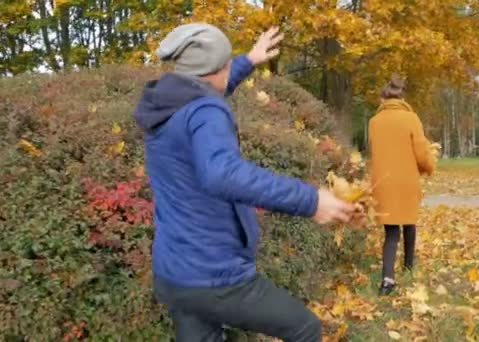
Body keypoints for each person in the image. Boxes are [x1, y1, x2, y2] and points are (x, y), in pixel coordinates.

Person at [133, 23, 355, 341]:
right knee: (305, 329)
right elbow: (222, 173)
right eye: (228, 64)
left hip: (175, 275)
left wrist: (248, 60)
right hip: (214, 278)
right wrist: (312, 201)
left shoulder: (169, 106)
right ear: (217, 68)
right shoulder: (206, 111)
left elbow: (210, 89)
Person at [368, 75, 436, 296]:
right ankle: (409, 266)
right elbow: (421, 152)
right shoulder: (411, 119)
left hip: (383, 181)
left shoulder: (374, 122)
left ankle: (388, 279)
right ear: (402, 98)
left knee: (391, 231)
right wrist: (429, 167)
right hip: (407, 180)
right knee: (409, 222)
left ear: (383, 99)